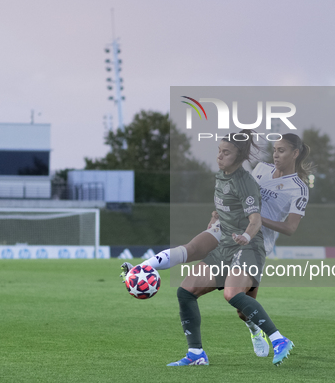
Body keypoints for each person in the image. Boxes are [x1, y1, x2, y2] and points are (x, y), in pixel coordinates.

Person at [121, 133, 311, 361]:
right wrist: (221, 212)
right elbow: (237, 194)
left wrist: (255, 217)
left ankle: (257, 331)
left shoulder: (298, 188)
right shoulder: (260, 169)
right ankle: (194, 351)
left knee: (242, 308)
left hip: (254, 242)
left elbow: (290, 227)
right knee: (189, 267)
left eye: (282, 150)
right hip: (229, 231)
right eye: (274, 149)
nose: (276, 154)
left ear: (295, 153)